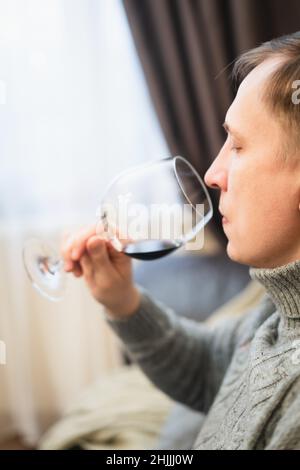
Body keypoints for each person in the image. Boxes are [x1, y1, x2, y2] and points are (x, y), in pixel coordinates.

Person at [61, 32, 300, 450]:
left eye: (239, 145)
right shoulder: (276, 306)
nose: (212, 173)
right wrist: (122, 300)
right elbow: (211, 372)